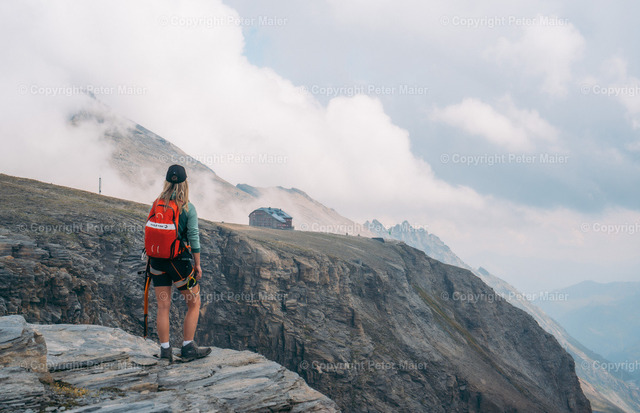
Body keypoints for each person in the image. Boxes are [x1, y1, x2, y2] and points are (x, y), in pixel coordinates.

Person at [146, 164, 211, 361]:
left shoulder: (157, 203)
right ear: (185, 183)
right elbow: (194, 238)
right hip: (179, 262)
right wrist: (197, 265)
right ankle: (188, 347)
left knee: (163, 306)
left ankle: (165, 351)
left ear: (166, 181)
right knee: (194, 303)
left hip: (156, 262)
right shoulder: (188, 208)